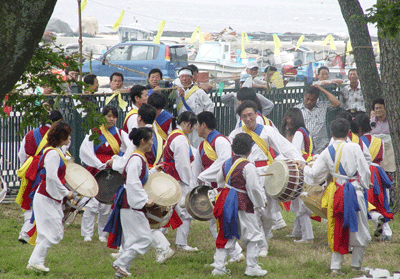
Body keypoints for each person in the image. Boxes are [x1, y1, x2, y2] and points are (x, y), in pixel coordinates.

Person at [229, 101, 305, 258]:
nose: (248, 118)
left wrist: (298, 159)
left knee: (270, 214)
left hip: (269, 174)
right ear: (241, 118)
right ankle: (261, 245)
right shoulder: (235, 134)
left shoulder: (267, 130)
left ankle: (262, 235)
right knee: (255, 211)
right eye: (244, 116)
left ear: (256, 114)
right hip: (248, 174)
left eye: (250, 115)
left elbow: (284, 146)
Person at [300, 118, 371, 276]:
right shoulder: (354, 147)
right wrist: (366, 184)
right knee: (359, 227)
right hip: (354, 190)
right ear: (348, 133)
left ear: (331, 133)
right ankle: (356, 266)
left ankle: (335, 267)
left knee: (337, 226)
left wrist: (304, 168)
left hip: (336, 192)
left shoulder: (327, 152)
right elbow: (365, 171)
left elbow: (314, 175)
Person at [104, 127, 166, 278]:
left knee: (132, 240)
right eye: (150, 139)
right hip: (131, 203)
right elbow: (132, 182)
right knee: (145, 239)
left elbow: (138, 178)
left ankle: (120, 272)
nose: (152, 142)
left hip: (129, 202)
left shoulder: (138, 157)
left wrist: (152, 171)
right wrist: (145, 200)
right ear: (143, 141)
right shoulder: (136, 159)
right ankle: (120, 263)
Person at [211, 133, 268, 277]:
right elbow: (254, 188)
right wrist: (261, 202)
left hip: (226, 202)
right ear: (250, 150)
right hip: (243, 204)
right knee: (254, 235)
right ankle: (252, 267)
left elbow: (219, 181)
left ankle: (218, 268)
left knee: (227, 234)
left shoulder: (226, 163)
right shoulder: (248, 166)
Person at [192, 111, 244, 263]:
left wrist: (204, 176)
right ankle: (235, 254)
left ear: (204, 125)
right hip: (210, 190)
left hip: (223, 188)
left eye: (197, 124)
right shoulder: (202, 145)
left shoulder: (220, 141)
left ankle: (229, 256)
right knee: (217, 225)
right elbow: (197, 169)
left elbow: (225, 161)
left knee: (220, 224)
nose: (196, 128)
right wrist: (195, 186)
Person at [79, 105, 132, 242]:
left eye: (114, 117)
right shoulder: (94, 132)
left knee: (107, 203)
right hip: (96, 169)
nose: (111, 119)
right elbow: (86, 150)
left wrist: (117, 160)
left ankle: (103, 233)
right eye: (109, 116)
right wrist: (98, 164)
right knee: (91, 203)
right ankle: (87, 233)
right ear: (103, 117)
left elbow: (129, 150)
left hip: (112, 170)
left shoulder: (120, 133)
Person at [26, 121, 74, 273]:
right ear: (61, 137)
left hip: (50, 196)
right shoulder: (53, 153)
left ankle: (35, 262)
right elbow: (52, 177)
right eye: (67, 135)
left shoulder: (57, 151)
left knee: (48, 232)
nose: (70, 138)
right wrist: (66, 192)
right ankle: (35, 262)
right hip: (46, 196)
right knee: (52, 232)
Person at [17, 110, 64, 244]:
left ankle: (26, 232)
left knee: (29, 204)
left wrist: (26, 168)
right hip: (45, 173)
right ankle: (29, 233)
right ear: (57, 122)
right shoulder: (57, 136)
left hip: (31, 171)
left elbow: (22, 154)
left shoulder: (30, 134)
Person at [354, 113, 393, 241]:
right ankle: (386, 232)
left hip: (366, 172)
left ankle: (373, 222)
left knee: (366, 203)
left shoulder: (358, 142)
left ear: (359, 128)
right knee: (381, 202)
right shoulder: (379, 141)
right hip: (379, 172)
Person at [163, 111, 198, 251]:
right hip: (179, 178)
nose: (194, 128)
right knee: (185, 210)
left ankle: (160, 237)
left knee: (168, 208)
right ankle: (181, 243)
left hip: (171, 176)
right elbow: (183, 164)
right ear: (184, 123)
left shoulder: (175, 135)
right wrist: (189, 181)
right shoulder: (180, 139)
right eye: (192, 125)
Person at [279, 108, 314, 244]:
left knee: (300, 204)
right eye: (287, 118)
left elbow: (293, 151)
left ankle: (307, 236)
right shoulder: (303, 131)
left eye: (291, 118)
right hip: (302, 167)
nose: (288, 121)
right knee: (296, 200)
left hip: (299, 168)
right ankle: (297, 231)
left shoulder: (299, 133)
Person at [174, 67, 214, 148]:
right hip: (182, 125)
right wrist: (177, 88)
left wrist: (204, 122)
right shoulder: (176, 92)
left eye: (187, 76)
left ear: (192, 78)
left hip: (195, 125)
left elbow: (209, 106)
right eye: (182, 77)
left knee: (196, 146)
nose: (184, 79)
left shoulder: (198, 92)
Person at [294, 84, 340, 154]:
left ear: (316, 99)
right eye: (307, 99)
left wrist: (322, 90)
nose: (309, 102)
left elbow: (336, 103)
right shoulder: (297, 109)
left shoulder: (323, 106)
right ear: (304, 97)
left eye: (312, 100)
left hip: (321, 146)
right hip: (304, 146)